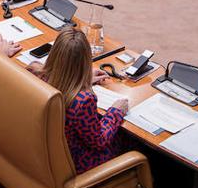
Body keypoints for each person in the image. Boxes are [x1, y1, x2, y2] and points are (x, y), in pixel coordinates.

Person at [34, 28, 129, 174]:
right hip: (78, 164)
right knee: (131, 141)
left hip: (41, 156)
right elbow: (99, 141)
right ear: (86, 60)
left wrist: (81, 80)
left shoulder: (36, 75)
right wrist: (116, 112)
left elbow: (61, 79)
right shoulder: (83, 101)